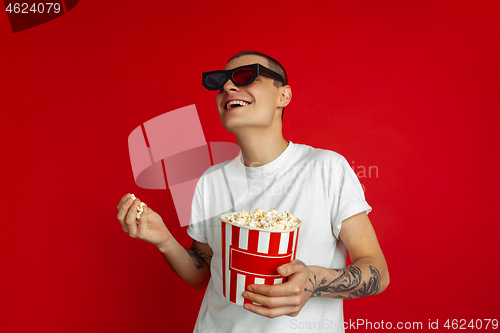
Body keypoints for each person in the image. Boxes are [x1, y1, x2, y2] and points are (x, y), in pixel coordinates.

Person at [117, 51, 389, 332]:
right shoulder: (211, 180)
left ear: (283, 96)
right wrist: (164, 240)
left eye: (246, 76)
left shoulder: (326, 167)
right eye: (220, 82)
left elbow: (378, 272)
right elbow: (204, 271)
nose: (227, 87)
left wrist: (314, 281)